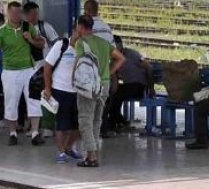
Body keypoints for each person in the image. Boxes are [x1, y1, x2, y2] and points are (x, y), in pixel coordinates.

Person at [0, 1, 45, 146]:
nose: (16, 15)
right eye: (13, 12)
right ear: (8, 13)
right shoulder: (1, 31)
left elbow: (41, 42)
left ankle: (35, 133)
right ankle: (12, 133)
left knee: (34, 101)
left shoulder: (28, 27)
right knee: (11, 102)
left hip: (28, 70)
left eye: (19, 12)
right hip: (10, 72)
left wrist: (30, 39)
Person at [74, 15, 125, 167]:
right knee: (97, 120)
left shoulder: (81, 43)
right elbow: (121, 58)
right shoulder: (103, 43)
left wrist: (73, 81)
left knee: (85, 121)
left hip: (89, 86)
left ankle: (92, 156)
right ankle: (93, 153)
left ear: (80, 27)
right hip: (104, 84)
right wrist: (109, 72)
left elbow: (77, 64)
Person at [42, 30, 84, 164]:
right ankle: (60, 151)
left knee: (78, 125)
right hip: (60, 90)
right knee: (62, 123)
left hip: (77, 91)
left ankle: (69, 147)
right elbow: (47, 67)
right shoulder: (61, 45)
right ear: (75, 32)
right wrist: (48, 88)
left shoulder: (84, 48)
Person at [104, 36, 153, 131]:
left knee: (118, 95)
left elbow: (149, 68)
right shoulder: (113, 60)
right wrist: (111, 92)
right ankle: (116, 121)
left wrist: (151, 88)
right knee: (110, 97)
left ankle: (116, 122)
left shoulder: (132, 54)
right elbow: (114, 80)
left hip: (139, 85)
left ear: (120, 45)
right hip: (127, 86)